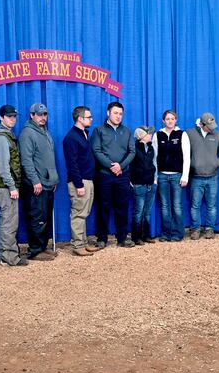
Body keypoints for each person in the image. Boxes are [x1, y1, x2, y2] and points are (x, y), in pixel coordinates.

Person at [90, 101, 136, 249]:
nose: (118, 116)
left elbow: (132, 151)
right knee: (103, 207)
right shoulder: (99, 130)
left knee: (122, 206)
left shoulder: (127, 131)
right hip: (105, 175)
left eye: (121, 114)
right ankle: (102, 238)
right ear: (108, 113)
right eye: (115, 113)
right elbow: (96, 151)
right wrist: (111, 166)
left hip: (123, 175)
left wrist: (120, 166)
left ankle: (122, 237)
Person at [0, 104, 28, 267]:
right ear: (1, 117)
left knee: (5, 220)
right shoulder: (1, 138)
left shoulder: (5, 135)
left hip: (2, 185)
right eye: (9, 116)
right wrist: (12, 187)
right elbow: (3, 167)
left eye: (14, 116)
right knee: (9, 222)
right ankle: (10, 257)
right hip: (4, 187)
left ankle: (3, 255)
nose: (13, 119)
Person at [20, 102, 59, 261]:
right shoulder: (27, 133)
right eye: (39, 114)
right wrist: (35, 181)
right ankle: (35, 250)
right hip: (36, 185)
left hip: (48, 183)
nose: (43, 117)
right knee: (37, 217)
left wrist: (53, 179)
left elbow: (49, 159)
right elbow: (26, 161)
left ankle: (42, 246)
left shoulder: (45, 132)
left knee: (45, 217)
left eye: (45, 114)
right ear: (32, 115)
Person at [63, 106, 100, 257]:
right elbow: (72, 164)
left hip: (88, 179)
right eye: (89, 117)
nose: (91, 119)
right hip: (80, 181)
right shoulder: (71, 137)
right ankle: (78, 245)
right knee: (78, 213)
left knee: (84, 212)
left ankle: (83, 243)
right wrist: (79, 184)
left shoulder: (84, 134)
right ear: (80, 118)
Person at [186, 112, 219, 240]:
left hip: (212, 177)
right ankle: (195, 229)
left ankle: (210, 229)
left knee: (211, 205)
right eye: (209, 125)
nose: (212, 128)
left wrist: (217, 163)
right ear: (201, 124)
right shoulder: (189, 134)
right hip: (196, 177)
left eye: (213, 125)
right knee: (195, 205)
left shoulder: (217, 135)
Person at [152, 110, 190, 242]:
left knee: (177, 206)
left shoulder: (182, 134)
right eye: (167, 119)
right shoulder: (157, 135)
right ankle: (165, 233)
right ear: (163, 121)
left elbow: (187, 157)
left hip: (177, 176)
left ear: (176, 120)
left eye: (172, 119)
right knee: (164, 206)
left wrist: (185, 176)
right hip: (162, 176)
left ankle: (177, 234)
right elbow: (154, 157)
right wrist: (155, 176)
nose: (170, 121)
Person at [130, 126, 157, 245]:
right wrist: (131, 180)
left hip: (151, 183)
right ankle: (136, 237)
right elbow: (130, 165)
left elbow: (154, 163)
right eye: (148, 134)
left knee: (147, 212)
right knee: (138, 212)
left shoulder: (151, 148)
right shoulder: (134, 148)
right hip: (139, 183)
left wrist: (155, 179)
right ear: (141, 136)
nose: (150, 135)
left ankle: (146, 235)